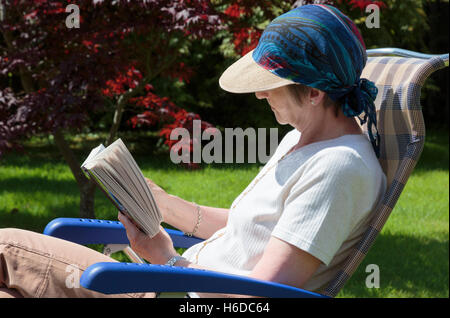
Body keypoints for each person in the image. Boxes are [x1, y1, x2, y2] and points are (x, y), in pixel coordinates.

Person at [0, 4, 386, 298]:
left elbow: (261, 297)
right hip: (176, 280)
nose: (260, 93)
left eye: (271, 83)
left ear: (315, 92)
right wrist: (164, 205)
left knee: (5, 249)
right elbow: (245, 229)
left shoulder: (339, 169)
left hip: (175, 292)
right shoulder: (302, 140)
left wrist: (165, 259)